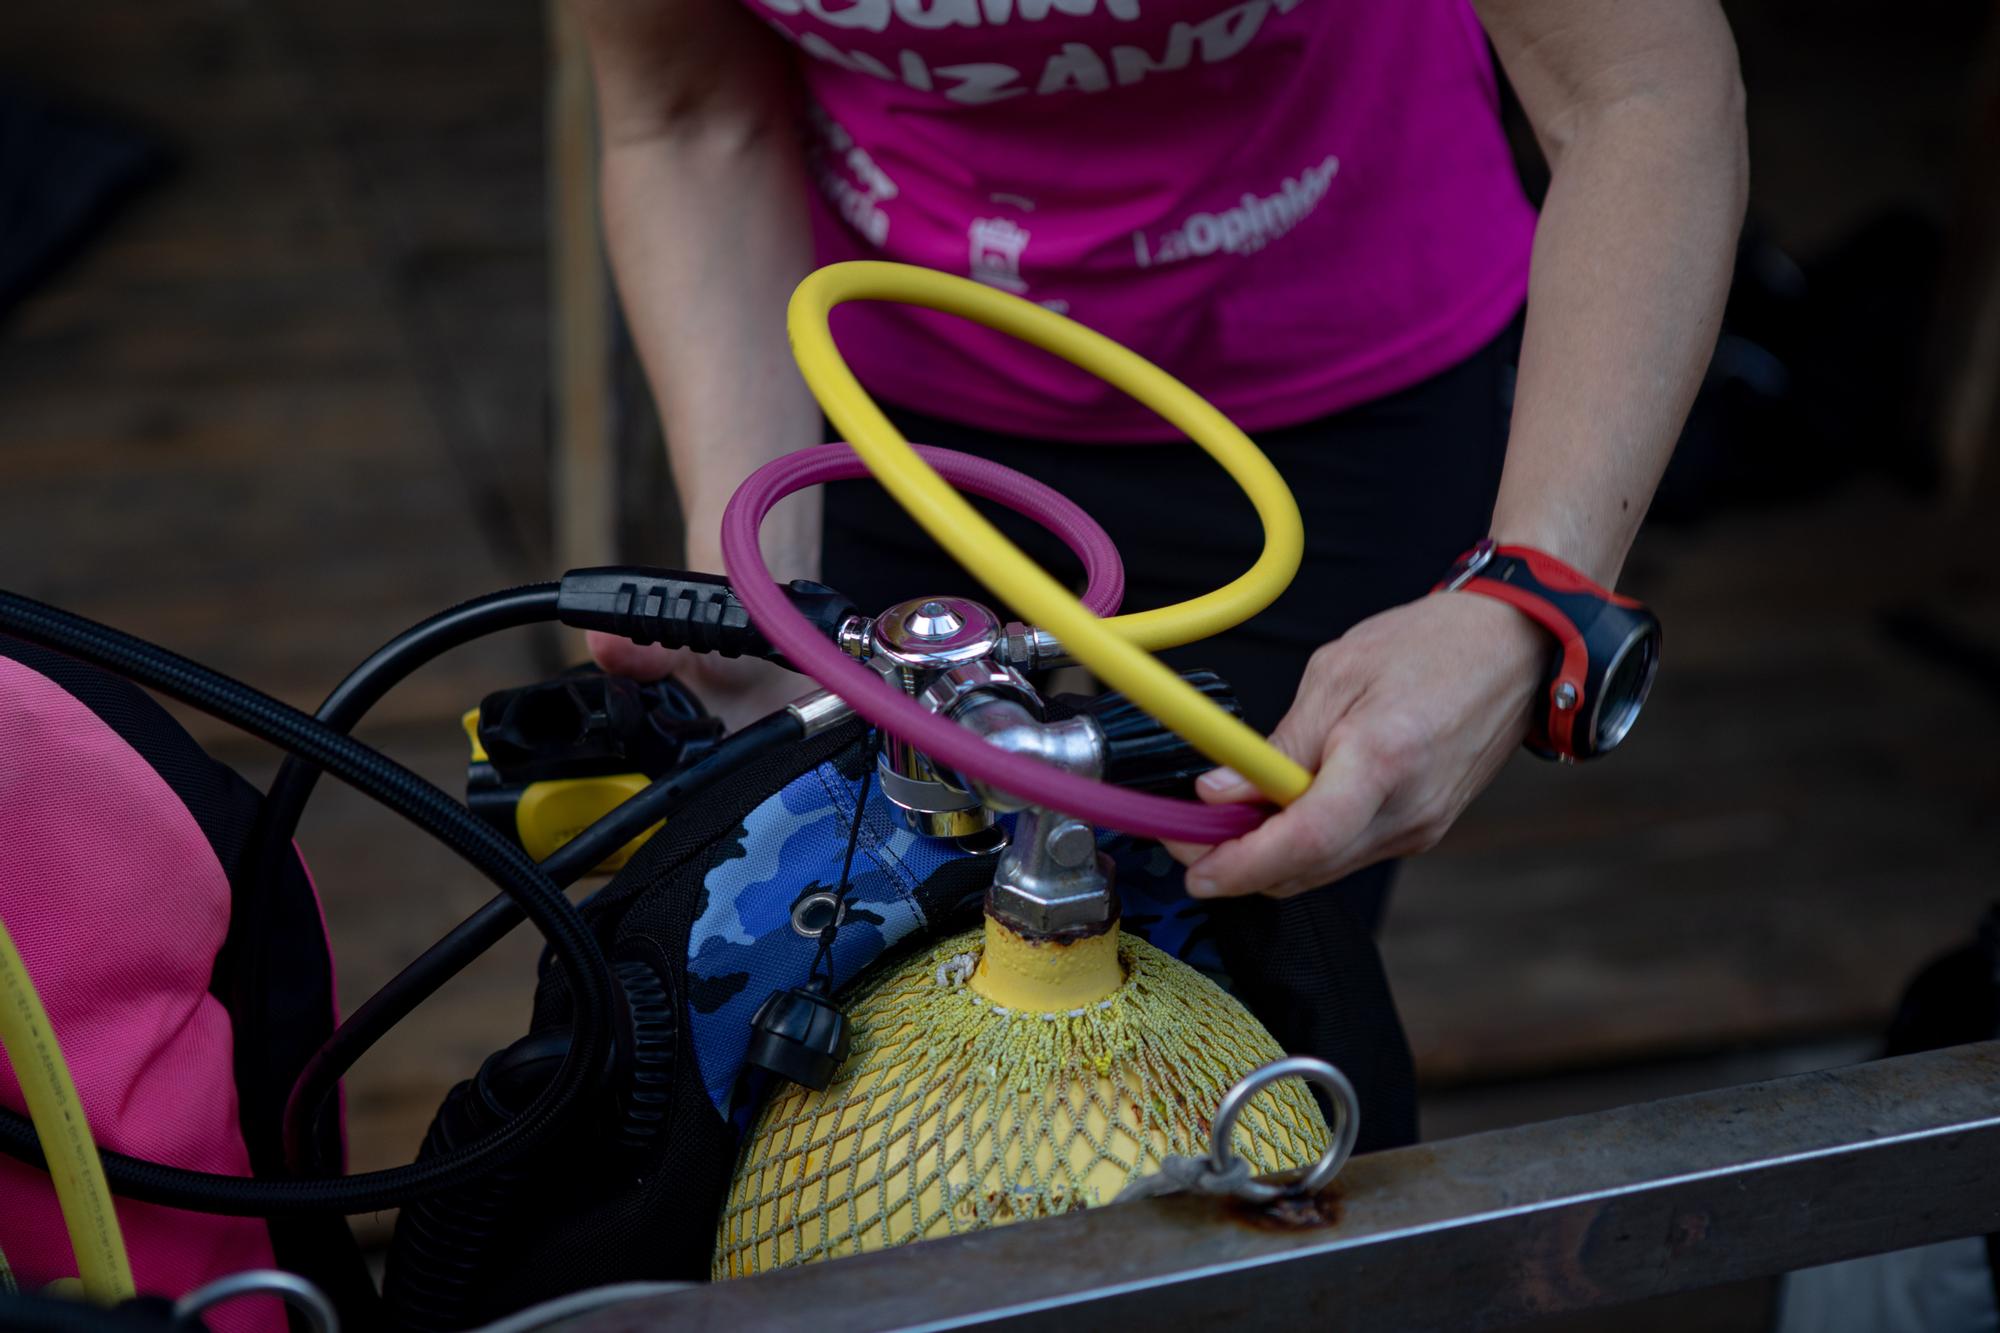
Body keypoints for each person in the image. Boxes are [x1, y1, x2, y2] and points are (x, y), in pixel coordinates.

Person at [572, 0, 1747, 1147]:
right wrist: (773, 597)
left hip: (1331, 404)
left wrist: (1526, 594)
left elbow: (1638, 89)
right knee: (855, 994)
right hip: (889, 427)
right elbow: (687, 116)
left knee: (1261, 966)